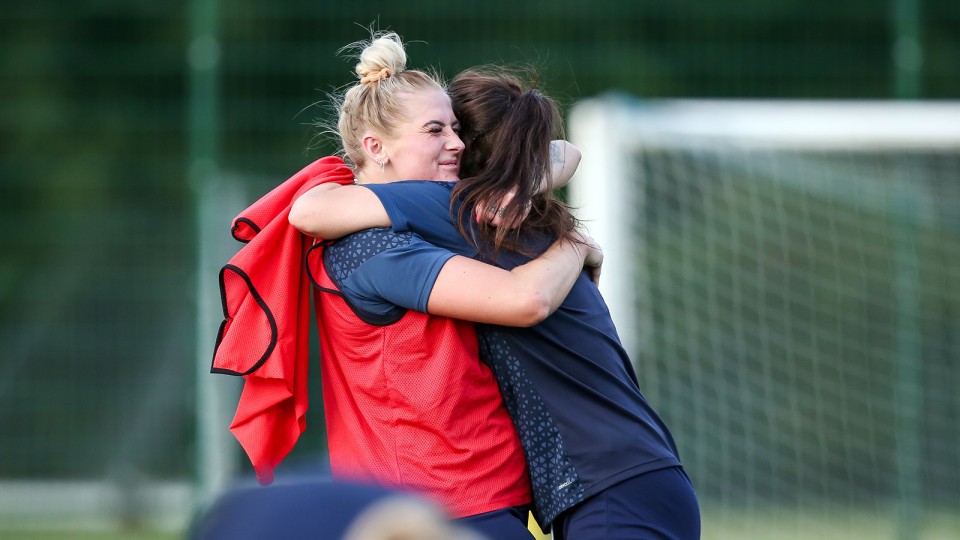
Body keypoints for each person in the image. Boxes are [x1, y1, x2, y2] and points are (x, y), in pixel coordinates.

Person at [290, 68, 702, 539]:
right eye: (436, 130)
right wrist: (572, 239)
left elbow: (560, 166)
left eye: (458, 129)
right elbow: (310, 211)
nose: (455, 144)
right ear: (375, 146)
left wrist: (544, 213)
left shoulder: (471, 217)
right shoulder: (463, 219)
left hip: (611, 483)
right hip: (614, 480)